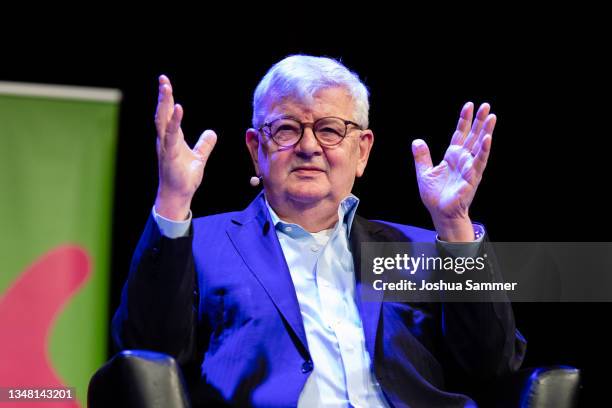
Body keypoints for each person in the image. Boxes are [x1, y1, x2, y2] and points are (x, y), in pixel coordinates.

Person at [113, 55, 526, 407]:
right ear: (257, 149)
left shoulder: (419, 250)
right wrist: (172, 201)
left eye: (330, 130)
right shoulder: (200, 243)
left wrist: (454, 225)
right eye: (288, 129)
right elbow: (148, 352)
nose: (309, 147)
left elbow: (492, 363)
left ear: (361, 150)